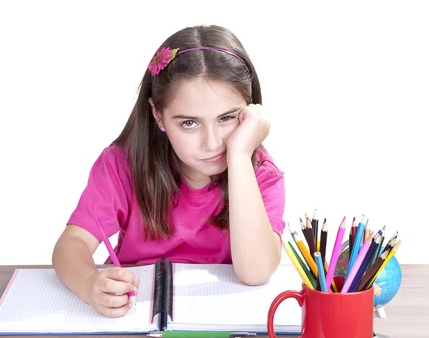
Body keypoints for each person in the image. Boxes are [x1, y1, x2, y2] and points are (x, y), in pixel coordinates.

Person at [52, 24, 286, 317]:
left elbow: (256, 272)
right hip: (135, 326)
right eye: (189, 123)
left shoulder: (261, 174)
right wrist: (89, 283)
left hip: (224, 331)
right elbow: (70, 245)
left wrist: (240, 155)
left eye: (227, 118)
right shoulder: (120, 165)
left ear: (251, 111)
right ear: (158, 115)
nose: (212, 143)